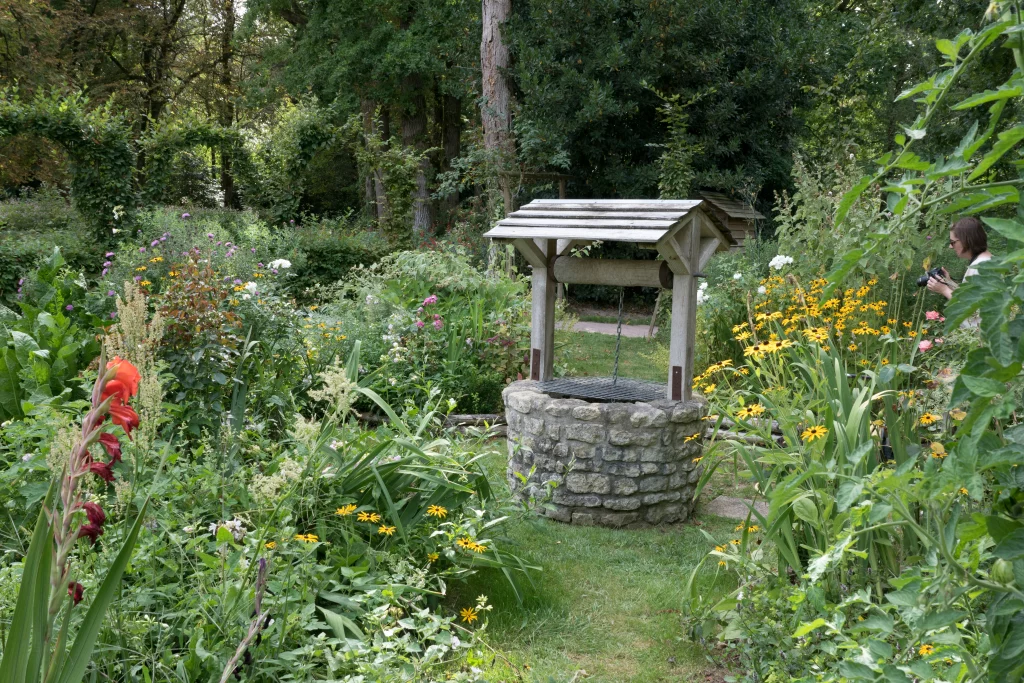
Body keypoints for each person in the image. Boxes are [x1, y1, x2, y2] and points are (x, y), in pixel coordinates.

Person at [926, 216, 993, 301]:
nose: (950, 247)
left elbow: (971, 305)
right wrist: (949, 282)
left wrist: (944, 290)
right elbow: (969, 295)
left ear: (965, 241)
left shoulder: (981, 266)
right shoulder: (985, 260)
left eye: (952, 242)